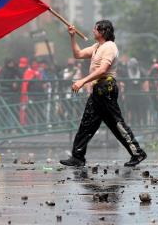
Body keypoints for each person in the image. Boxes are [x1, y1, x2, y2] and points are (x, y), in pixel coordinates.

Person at [60, 20, 146, 168]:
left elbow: (102, 70)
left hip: (106, 88)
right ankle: (78, 156)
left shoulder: (109, 47)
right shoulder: (96, 47)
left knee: (117, 123)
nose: (93, 31)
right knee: (87, 123)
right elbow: (78, 54)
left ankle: (137, 152)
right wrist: (72, 37)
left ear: (103, 32)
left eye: (95, 29)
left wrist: (82, 81)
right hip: (97, 89)